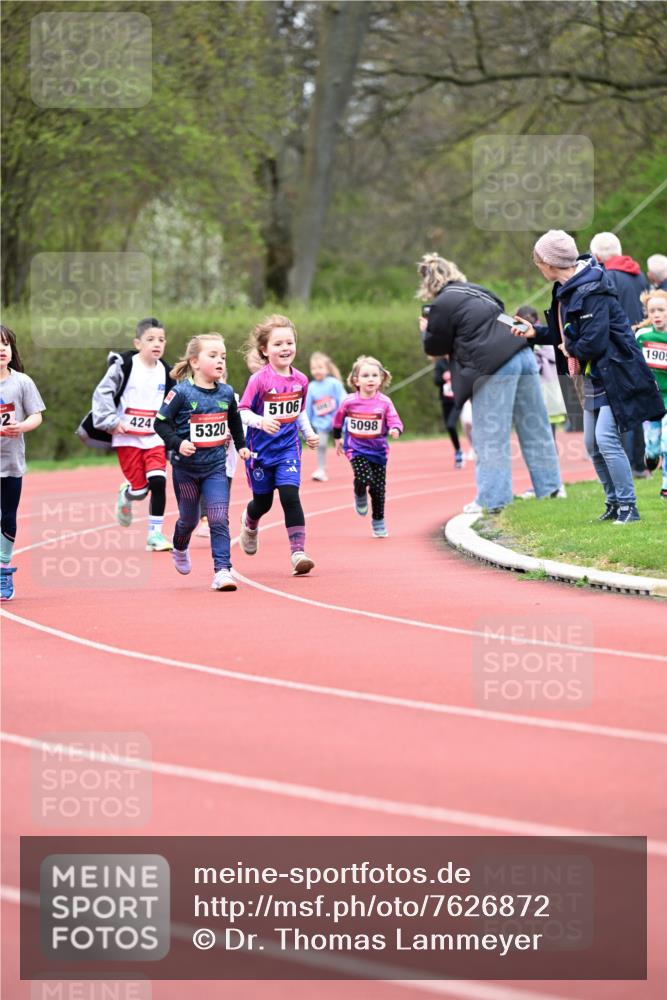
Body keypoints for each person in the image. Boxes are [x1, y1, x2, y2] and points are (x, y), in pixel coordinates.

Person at [517, 230, 665, 524]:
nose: (539, 267)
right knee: (591, 445)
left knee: (606, 439)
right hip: (593, 375)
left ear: (549, 261)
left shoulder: (592, 288)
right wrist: (536, 334)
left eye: (538, 262)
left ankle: (628, 507)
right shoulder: (566, 289)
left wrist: (568, 345)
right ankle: (612, 503)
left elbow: (593, 342)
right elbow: (567, 335)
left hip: (614, 372)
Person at [417, 253, 563, 513]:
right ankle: (551, 489)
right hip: (523, 354)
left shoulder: (442, 304)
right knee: (535, 426)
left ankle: (493, 500)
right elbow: (501, 316)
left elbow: (435, 346)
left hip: (495, 367)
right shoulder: (479, 291)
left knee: (490, 435)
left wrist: (425, 330)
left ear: (429, 284)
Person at [155, 334, 249, 591]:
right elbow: (160, 423)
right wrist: (177, 443)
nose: (220, 361)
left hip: (215, 468)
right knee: (189, 519)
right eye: (213, 356)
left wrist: (241, 447)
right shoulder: (181, 393)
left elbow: (235, 422)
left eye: (223, 357)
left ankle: (222, 571)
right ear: (195, 362)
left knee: (219, 517)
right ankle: (180, 546)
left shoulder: (227, 393)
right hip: (185, 470)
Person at [238, 315, 319, 576]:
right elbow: (242, 412)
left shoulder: (301, 381)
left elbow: (300, 411)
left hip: (288, 449)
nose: (285, 348)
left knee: (289, 496)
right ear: (264, 350)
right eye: (278, 344)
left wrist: (308, 433)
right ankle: (250, 523)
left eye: (289, 342)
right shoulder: (259, 380)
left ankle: (298, 553)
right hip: (260, 451)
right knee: (263, 503)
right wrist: (261, 422)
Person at [92, 318, 174, 551]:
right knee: (140, 490)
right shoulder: (124, 365)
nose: (156, 344)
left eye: (161, 340)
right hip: (127, 436)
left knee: (159, 481)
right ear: (138, 343)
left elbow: (174, 404)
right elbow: (102, 394)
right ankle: (126, 495)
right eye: (150, 339)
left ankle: (155, 535)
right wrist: (110, 421)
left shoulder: (167, 372)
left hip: (154, 437)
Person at [590, 233, 650, 477]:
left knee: (621, 408)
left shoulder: (608, 276)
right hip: (641, 342)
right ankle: (640, 463)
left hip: (620, 346)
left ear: (596, 255)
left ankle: (629, 464)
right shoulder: (639, 275)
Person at [332, 355, 403, 537]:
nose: (370, 379)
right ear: (356, 380)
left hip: (379, 451)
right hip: (355, 448)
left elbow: (395, 419)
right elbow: (338, 420)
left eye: (374, 375)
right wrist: (337, 438)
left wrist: (395, 429)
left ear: (381, 379)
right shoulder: (349, 401)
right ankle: (360, 494)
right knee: (363, 477)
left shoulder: (385, 402)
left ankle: (378, 520)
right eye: (365, 375)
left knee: (379, 489)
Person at [0, 326, 46, 601]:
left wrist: (22, 427)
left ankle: (3, 569)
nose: (1, 349)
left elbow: (36, 415)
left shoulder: (22, 382)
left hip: (11, 463)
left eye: (5, 344)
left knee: (7, 517)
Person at [635, 289, 667, 499]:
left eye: (661, 310)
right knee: (654, 442)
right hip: (651, 398)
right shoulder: (642, 336)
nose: (656, 314)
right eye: (652, 310)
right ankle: (651, 455)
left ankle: (665, 485)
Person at [305, 352, 346, 482]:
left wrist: (345, 416)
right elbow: (307, 406)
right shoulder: (311, 387)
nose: (317, 371)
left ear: (327, 369)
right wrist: (306, 425)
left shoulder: (334, 383)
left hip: (338, 421)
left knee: (347, 444)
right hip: (321, 422)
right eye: (313, 368)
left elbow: (343, 399)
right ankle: (321, 469)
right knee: (321, 444)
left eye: (320, 368)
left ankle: (359, 465)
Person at [430, 356, 464, 468]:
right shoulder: (440, 363)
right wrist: (444, 377)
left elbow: (466, 376)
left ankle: (466, 451)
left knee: (451, 424)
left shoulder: (459, 360)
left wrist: (453, 376)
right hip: (445, 400)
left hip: (458, 399)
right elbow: (436, 381)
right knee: (449, 427)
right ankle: (458, 450)